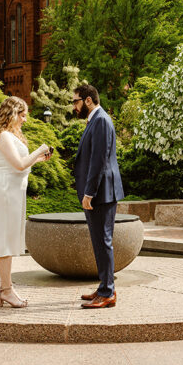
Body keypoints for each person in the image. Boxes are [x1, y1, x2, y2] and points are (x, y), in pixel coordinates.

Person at [0, 96, 50, 308]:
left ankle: (6, 289)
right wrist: (39, 150)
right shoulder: (3, 136)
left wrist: (38, 159)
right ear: (11, 114)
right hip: (5, 193)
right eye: (22, 115)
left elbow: (20, 165)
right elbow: (19, 165)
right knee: (5, 242)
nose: (25, 120)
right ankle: (6, 290)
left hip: (13, 192)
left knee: (9, 241)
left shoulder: (9, 136)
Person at [72, 84, 124, 308]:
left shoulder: (101, 120)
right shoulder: (95, 119)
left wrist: (89, 192)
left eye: (76, 101)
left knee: (103, 241)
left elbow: (99, 160)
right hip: (99, 192)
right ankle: (104, 286)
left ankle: (108, 293)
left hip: (101, 192)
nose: (74, 106)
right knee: (99, 242)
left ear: (88, 100)